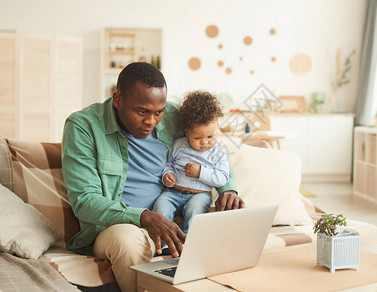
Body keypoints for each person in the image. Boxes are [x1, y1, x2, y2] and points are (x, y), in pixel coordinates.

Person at [61, 62, 245, 292]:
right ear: (118, 100)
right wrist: (145, 217)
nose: (151, 121)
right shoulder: (83, 126)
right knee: (127, 240)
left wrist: (228, 188)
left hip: (171, 217)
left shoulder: (173, 116)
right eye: (142, 112)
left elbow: (210, 152)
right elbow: (85, 202)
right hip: (116, 226)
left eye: (158, 112)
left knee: (234, 225)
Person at [153, 91, 229, 236]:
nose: (205, 142)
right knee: (161, 206)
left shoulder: (218, 152)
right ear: (187, 132)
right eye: (197, 137)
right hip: (173, 192)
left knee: (195, 210)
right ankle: (164, 242)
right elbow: (169, 163)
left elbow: (222, 178)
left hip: (199, 195)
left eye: (210, 136)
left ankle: (189, 241)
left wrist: (200, 172)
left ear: (217, 127)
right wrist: (167, 174)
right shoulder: (179, 145)